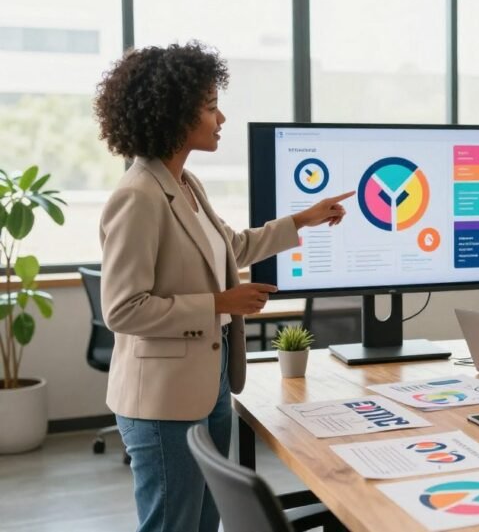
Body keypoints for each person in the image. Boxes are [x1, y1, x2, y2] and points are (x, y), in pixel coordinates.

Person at [94, 42, 352, 532]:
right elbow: (124, 310)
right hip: (162, 402)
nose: (222, 118)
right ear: (174, 115)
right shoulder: (137, 196)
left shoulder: (184, 185)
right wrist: (220, 303)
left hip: (207, 385)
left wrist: (303, 219)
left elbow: (229, 246)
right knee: (174, 523)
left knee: (205, 522)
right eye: (211, 107)